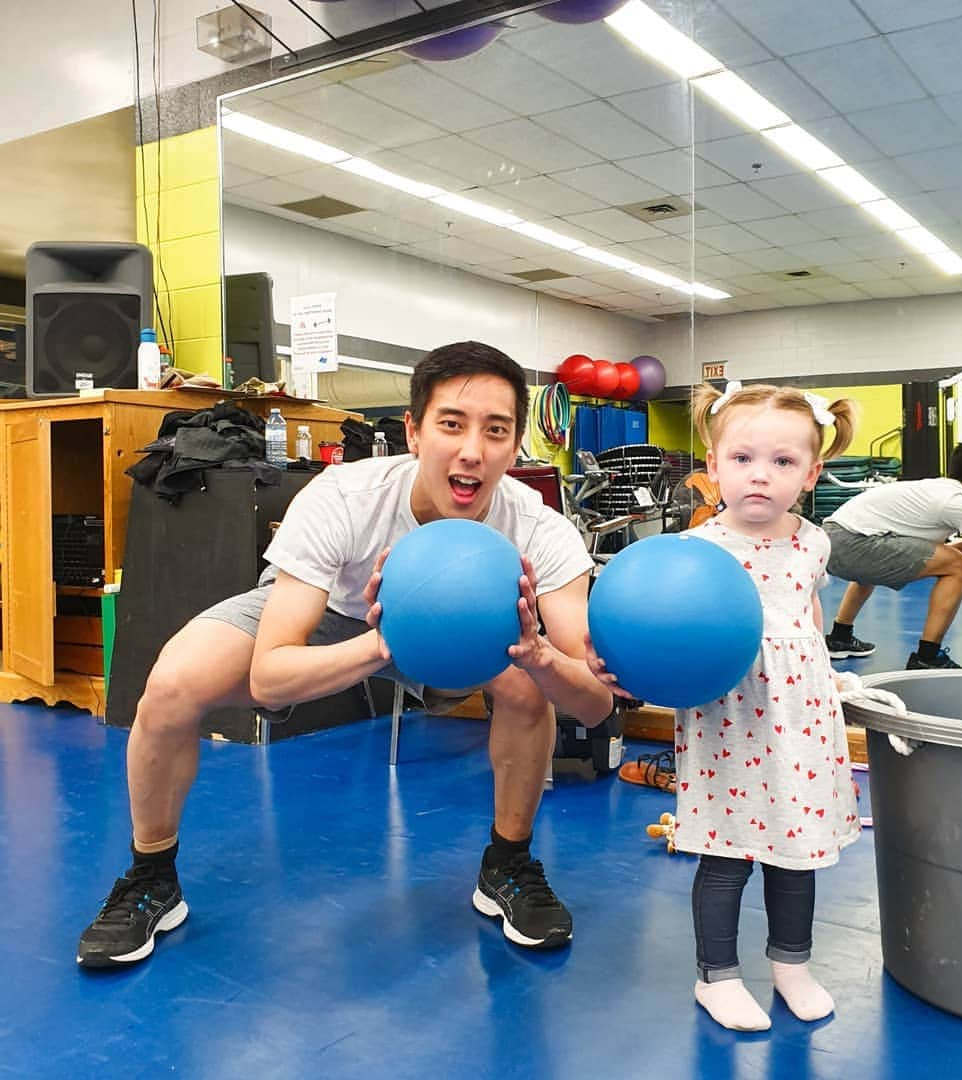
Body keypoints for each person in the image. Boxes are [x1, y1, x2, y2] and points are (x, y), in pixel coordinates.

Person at [77, 341, 614, 968]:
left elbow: (596, 700)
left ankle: (508, 863)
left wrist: (543, 658)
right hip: (342, 620)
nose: (472, 450)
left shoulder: (539, 527)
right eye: (451, 424)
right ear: (413, 432)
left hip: (474, 635)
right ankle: (152, 876)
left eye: (495, 431)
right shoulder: (343, 497)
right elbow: (272, 677)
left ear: (515, 442)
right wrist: (386, 640)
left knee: (526, 687)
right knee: (171, 683)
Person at [588, 380, 860, 1032]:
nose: (760, 477)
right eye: (742, 459)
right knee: (727, 855)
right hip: (730, 726)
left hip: (801, 723)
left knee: (799, 851)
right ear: (712, 467)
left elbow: (806, 609)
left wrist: (823, 672)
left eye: (783, 462)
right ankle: (718, 975)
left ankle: (792, 965)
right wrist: (618, 661)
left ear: (812, 472)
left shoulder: (813, 543)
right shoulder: (697, 553)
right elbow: (651, 628)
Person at [822, 440, 962, 670]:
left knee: (883, 563)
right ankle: (927, 657)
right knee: (958, 566)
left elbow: (931, 556)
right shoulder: (960, 505)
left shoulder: (936, 489)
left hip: (831, 539)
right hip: (854, 544)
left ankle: (840, 637)